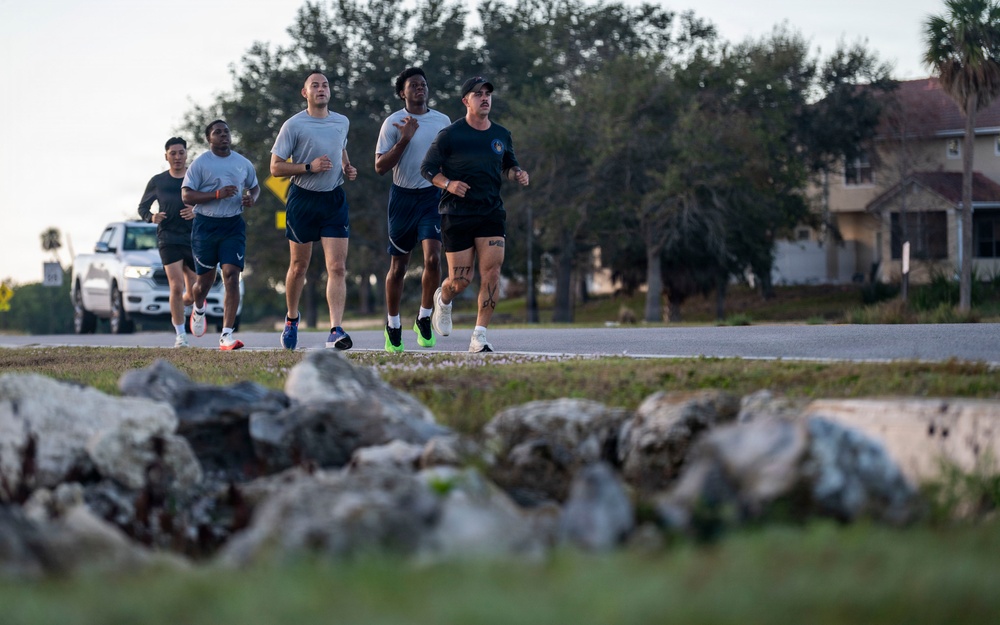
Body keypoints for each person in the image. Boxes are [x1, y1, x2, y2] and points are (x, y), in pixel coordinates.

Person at [420, 76, 530, 353]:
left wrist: (517, 173)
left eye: (488, 93)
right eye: (478, 93)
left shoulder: (501, 135)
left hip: (491, 212)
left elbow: (508, 164)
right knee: (461, 280)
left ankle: (479, 335)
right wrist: (449, 184)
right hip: (456, 214)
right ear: (465, 101)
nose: (484, 98)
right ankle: (443, 299)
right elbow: (427, 169)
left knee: (492, 271)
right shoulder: (450, 135)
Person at [270, 70, 358, 350]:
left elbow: (340, 147)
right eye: (315, 85)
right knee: (299, 267)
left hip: (333, 200)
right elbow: (275, 167)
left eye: (325, 85)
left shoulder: (341, 121)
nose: (321, 89)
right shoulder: (294, 125)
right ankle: (292, 319)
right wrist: (309, 167)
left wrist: (347, 166)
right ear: (304, 93)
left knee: (338, 267)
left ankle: (335, 329)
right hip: (302, 200)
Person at [375, 67, 451, 353]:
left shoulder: (442, 121)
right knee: (399, 268)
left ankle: (424, 317)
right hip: (402, 199)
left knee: (433, 259)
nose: (420, 88)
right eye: (413, 85)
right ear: (402, 93)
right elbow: (380, 167)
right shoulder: (393, 123)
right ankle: (393, 325)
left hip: (432, 197)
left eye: (423, 84)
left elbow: (450, 157)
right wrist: (405, 138)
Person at [181, 119, 259, 351]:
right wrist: (216, 194)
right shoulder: (200, 164)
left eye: (226, 131)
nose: (224, 135)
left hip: (233, 225)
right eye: (218, 132)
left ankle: (226, 334)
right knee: (203, 283)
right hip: (206, 226)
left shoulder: (242, 163)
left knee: (232, 274)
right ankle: (198, 307)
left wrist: (251, 198)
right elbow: (187, 196)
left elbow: (254, 186)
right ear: (209, 138)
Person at [137, 137, 197, 348]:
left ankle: (195, 306)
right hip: (168, 237)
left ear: (186, 154)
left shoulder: (195, 176)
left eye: (181, 152)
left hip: (192, 237)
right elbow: (142, 208)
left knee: (194, 290)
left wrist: (196, 211)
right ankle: (181, 335)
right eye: (173, 153)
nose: (177, 157)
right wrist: (151, 217)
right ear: (166, 156)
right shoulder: (158, 181)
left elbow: (210, 201)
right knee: (176, 285)